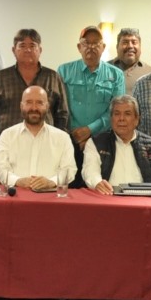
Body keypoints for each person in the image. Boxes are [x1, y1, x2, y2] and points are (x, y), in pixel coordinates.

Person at [0, 28, 69, 164]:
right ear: (13, 50)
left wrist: (57, 147)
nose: (28, 50)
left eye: (32, 45)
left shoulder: (53, 77)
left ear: (40, 50)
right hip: (7, 151)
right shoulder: (0, 78)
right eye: (22, 46)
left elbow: (63, 116)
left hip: (45, 151)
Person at [58, 25, 124, 187]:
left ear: (103, 47)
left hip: (103, 142)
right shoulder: (64, 71)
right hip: (70, 141)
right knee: (69, 188)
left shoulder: (116, 75)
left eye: (96, 43)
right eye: (86, 43)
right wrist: (77, 133)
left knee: (100, 188)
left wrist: (89, 131)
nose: (91, 47)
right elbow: (60, 108)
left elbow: (116, 111)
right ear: (79, 47)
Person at [82, 95, 151, 196]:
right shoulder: (96, 142)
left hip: (143, 200)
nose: (121, 118)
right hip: (108, 198)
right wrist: (97, 183)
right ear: (111, 119)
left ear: (137, 120)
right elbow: (90, 170)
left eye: (127, 114)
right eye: (117, 114)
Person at [0, 86, 76, 192]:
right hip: (16, 197)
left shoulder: (63, 138)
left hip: (49, 198)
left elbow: (69, 170)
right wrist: (18, 181)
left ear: (47, 106)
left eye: (40, 103)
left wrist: (52, 182)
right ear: (21, 106)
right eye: (29, 102)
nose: (34, 108)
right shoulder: (7, 135)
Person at [108, 27, 151, 92]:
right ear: (117, 47)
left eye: (134, 42)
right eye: (125, 42)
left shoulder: (149, 72)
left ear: (140, 47)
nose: (130, 46)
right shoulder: (105, 69)